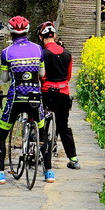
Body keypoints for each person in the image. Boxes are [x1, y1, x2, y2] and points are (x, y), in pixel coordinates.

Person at [0, 15, 53, 185]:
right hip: (35, 98)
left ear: (11, 32)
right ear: (27, 31)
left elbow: (4, 79)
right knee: (42, 133)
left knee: (1, 135)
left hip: (15, 99)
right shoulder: (39, 49)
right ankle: (49, 173)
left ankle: (0, 174)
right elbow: (42, 74)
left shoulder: (6, 52)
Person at [39, 21, 79, 169]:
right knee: (63, 126)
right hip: (63, 93)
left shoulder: (42, 53)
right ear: (54, 36)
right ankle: (73, 159)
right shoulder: (67, 53)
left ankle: (39, 154)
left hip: (46, 93)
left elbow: (40, 76)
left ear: (41, 37)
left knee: (40, 123)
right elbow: (68, 77)